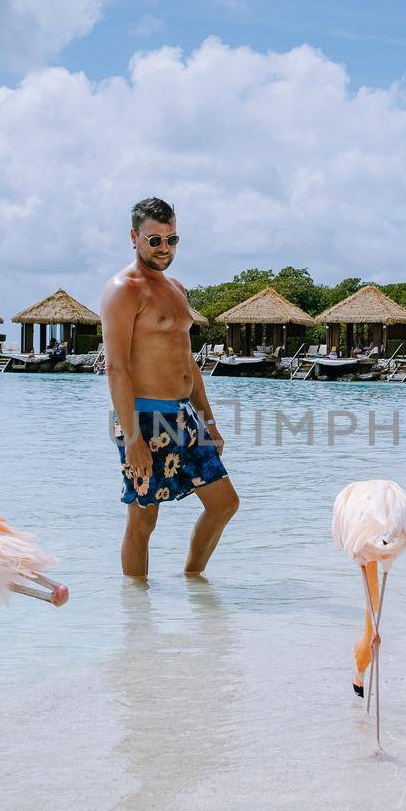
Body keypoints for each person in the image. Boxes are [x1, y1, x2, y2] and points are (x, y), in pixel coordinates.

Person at [101, 197, 238, 578]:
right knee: (143, 522)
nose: (165, 249)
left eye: (172, 239)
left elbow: (188, 361)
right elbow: (116, 367)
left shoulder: (175, 287)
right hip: (142, 418)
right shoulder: (122, 290)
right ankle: (137, 614)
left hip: (183, 415)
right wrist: (132, 439)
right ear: (134, 237)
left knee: (224, 503)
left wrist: (208, 420)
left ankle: (194, 582)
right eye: (155, 240)